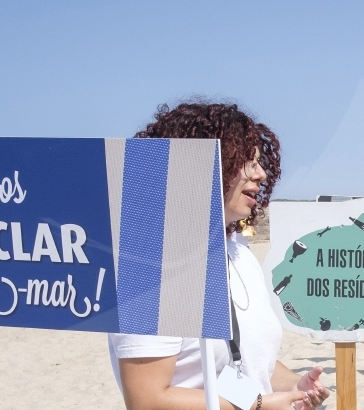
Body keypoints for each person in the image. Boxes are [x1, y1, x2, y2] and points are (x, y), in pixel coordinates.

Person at [110, 101, 331, 410]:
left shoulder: (238, 251)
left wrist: (294, 388)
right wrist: (257, 406)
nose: (262, 174)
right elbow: (147, 399)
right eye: (247, 161)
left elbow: (245, 361)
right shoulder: (151, 264)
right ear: (205, 164)